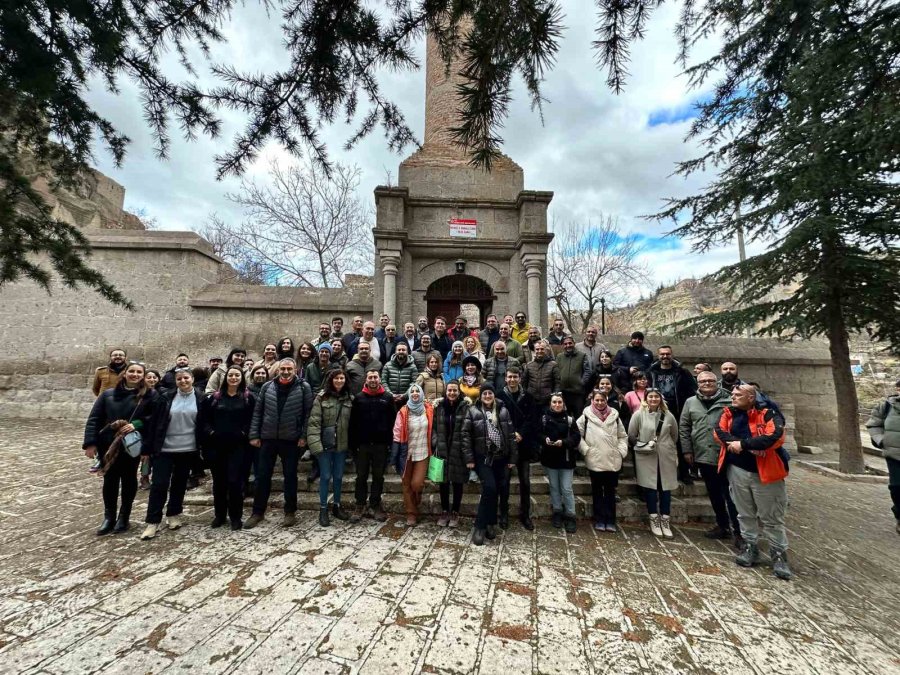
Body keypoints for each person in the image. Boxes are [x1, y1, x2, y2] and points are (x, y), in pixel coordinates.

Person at [716, 383, 791, 580]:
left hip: (766, 471)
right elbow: (719, 433)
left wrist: (743, 444)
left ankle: (779, 554)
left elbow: (774, 437)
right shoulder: (728, 413)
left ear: (751, 397)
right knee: (744, 512)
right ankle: (750, 546)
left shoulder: (769, 413)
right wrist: (737, 444)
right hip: (737, 470)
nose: (733, 397)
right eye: (732, 394)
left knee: (772, 516)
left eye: (737, 394)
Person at [83, 360, 158, 535]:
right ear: (124, 374)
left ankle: (124, 516)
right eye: (132, 371)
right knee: (109, 479)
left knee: (129, 479)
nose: (135, 375)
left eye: (139, 372)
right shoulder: (108, 394)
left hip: (131, 444)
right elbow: (94, 418)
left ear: (143, 376)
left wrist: (137, 424)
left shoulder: (149, 395)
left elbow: (155, 417)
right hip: (108, 443)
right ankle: (109, 517)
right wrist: (90, 443)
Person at [246, 358, 313, 529]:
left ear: (295, 370)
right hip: (267, 438)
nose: (285, 371)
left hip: (290, 439)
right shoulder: (267, 387)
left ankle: (290, 512)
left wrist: (304, 436)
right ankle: (258, 512)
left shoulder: (303, 387)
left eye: (289, 369)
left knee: (290, 476)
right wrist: (254, 434)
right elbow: (258, 412)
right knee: (262, 477)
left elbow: (308, 414)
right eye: (282, 368)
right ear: (277, 370)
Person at [140, 367, 204, 540]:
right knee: (159, 484)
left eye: (186, 378)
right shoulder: (166, 397)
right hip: (165, 448)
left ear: (192, 379)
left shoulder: (201, 398)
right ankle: (152, 521)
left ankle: (173, 513)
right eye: (179, 379)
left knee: (179, 483)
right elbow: (154, 423)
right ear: (175, 381)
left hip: (188, 449)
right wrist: (147, 448)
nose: (183, 381)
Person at [680, 372, 740, 544]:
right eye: (702, 381)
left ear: (717, 382)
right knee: (714, 493)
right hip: (703, 455)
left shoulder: (730, 400)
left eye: (710, 380)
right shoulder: (690, 402)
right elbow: (684, 427)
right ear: (697, 383)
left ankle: (739, 530)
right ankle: (722, 525)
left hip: (727, 454)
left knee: (731, 495)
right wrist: (687, 450)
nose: (706, 383)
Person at [199, 365, 256, 531]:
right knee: (219, 482)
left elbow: (252, 418)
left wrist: (244, 432)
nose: (233, 378)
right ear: (226, 378)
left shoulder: (248, 398)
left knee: (234, 482)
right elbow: (204, 419)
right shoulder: (214, 398)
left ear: (241, 378)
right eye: (231, 375)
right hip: (217, 445)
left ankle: (235, 516)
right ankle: (219, 515)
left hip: (238, 446)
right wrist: (210, 433)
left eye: (237, 375)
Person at [462, 383, 517, 546]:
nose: (487, 396)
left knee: (497, 490)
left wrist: (513, 457)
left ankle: (491, 523)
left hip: (501, 457)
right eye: (484, 393)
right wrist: (469, 458)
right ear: (480, 396)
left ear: (494, 395)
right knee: (490, 488)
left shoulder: (503, 410)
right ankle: (479, 526)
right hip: (483, 457)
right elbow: (465, 435)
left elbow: (511, 434)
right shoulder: (473, 411)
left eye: (490, 393)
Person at [628, 388, 678, 538]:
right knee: (650, 487)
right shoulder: (638, 415)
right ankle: (653, 518)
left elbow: (674, 435)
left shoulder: (668, 415)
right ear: (646, 399)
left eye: (656, 397)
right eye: (651, 397)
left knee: (665, 488)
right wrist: (644, 444)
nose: (654, 399)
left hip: (665, 455)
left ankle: (665, 519)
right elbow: (631, 434)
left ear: (660, 399)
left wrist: (666, 447)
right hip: (646, 455)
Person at [307, 369, 354, 527]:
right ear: (331, 380)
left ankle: (337, 505)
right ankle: (323, 508)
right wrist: (316, 446)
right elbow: (314, 423)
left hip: (342, 445)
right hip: (325, 445)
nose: (339, 381)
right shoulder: (321, 398)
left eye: (342, 378)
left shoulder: (349, 399)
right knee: (326, 476)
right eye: (336, 378)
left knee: (339, 476)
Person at [349, 370, 396, 522]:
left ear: (380, 379)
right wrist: (353, 444)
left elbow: (393, 422)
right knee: (361, 476)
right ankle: (360, 504)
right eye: (370, 377)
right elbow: (353, 423)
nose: (373, 380)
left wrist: (390, 444)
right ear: (366, 379)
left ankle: (375, 504)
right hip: (362, 445)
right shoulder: (359, 398)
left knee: (378, 476)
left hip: (381, 445)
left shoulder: (388, 398)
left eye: (375, 377)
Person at [578, 390, 628, 532]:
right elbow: (577, 435)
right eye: (597, 400)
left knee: (610, 492)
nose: (600, 403)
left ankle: (610, 519)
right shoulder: (585, 417)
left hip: (612, 459)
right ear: (592, 400)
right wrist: (586, 450)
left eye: (602, 400)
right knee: (597, 492)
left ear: (607, 400)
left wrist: (621, 451)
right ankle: (599, 519)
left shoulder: (615, 416)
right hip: (595, 459)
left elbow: (623, 436)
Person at [497, 367, 538, 530]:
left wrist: (521, 433)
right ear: (505, 379)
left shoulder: (528, 397)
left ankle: (525, 515)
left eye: (515, 377)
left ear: (520, 379)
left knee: (525, 482)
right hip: (506, 446)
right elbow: (497, 419)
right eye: (509, 377)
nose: (512, 379)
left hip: (523, 445)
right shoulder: (500, 396)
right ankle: (504, 514)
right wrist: (510, 434)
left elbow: (532, 419)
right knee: (504, 482)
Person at [391, 384, 434, 526]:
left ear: (421, 394)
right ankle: (411, 514)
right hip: (407, 453)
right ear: (409, 394)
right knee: (406, 484)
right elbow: (397, 433)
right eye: (412, 392)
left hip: (423, 452)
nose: (415, 393)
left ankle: (415, 502)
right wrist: (395, 454)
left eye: (417, 391)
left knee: (417, 484)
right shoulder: (403, 411)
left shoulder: (428, 409)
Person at [539, 393, 581, 533]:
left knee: (566, 488)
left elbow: (576, 438)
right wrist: (544, 439)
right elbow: (539, 434)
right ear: (550, 403)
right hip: (550, 458)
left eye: (559, 402)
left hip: (566, 459)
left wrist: (563, 442)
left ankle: (570, 515)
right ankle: (557, 511)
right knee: (554, 487)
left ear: (563, 404)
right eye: (554, 402)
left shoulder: (569, 420)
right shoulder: (544, 419)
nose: (557, 405)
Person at [433, 381, 470, 527]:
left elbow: (468, 427)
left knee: (457, 481)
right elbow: (434, 426)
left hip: (458, 448)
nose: (452, 393)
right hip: (442, 447)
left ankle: (455, 511)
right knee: (443, 482)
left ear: (459, 391)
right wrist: (436, 441)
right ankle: (444, 510)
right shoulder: (439, 407)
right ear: (445, 391)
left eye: (455, 390)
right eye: (449, 390)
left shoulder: (465, 407)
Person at [866, 380, 900, 536]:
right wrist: (881, 440)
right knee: (897, 488)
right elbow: (874, 424)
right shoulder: (886, 406)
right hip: (894, 456)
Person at [557, 336, 591, 418]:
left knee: (578, 416)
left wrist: (581, 382)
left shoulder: (582, 356)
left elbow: (587, 371)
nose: (568, 345)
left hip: (578, 392)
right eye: (565, 344)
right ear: (563, 345)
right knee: (565, 416)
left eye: (570, 343)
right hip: (564, 392)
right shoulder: (559, 357)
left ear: (574, 344)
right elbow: (556, 371)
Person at [522, 340, 560, 408]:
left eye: (542, 349)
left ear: (546, 350)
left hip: (547, 401)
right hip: (531, 401)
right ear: (534, 350)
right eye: (537, 349)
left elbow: (557, 383)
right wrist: (526, 394)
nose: (539, 351)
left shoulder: (553, 365)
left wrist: (554, 396)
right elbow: (524, 382)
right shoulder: (529, 365)